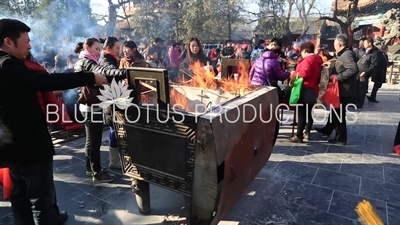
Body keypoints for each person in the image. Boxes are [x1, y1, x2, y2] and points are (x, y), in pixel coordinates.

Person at [0, 18, 107, 225]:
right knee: (41, 202)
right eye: (26, 41)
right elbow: (47, 82)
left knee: (19, 198)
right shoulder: (9, 67)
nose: (30, 45)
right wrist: (89, 78)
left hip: (11, 146)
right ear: (8, 42)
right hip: (30, 146)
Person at [74, 37, 127, 182]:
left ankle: (90, 170)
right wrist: (124, 73)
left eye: (99, 49)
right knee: (94, 141)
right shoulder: (86, 62)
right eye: (96, 49)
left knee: (91, 141)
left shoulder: (85, 61)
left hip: (90, 106)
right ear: (87, 47)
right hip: (91, 108)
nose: (98, 52)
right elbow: (102, 70)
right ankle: (97, 172)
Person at [315, 34, 358, 145]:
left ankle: (341, 139)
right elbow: (341, 63)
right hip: (342, 88)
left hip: (344, 89)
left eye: (334, 44)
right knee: (334, 112)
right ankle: (327, 129)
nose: (334, 46)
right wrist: (332, 64)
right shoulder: (344, 53)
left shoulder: (347, 54)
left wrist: (338, 77)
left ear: (339, 44)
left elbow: (353, 69)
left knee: (338, 114)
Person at [288, 42, 323, 143]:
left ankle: (299, 136)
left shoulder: (308, 60)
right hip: (313, 89)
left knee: (302, 113)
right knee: (309, 112)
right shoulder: (317, 60)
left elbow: (303, 73)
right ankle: (307, 132)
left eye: (301, 52)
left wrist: (294, 73)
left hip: (304, 89)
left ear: (305, 51)